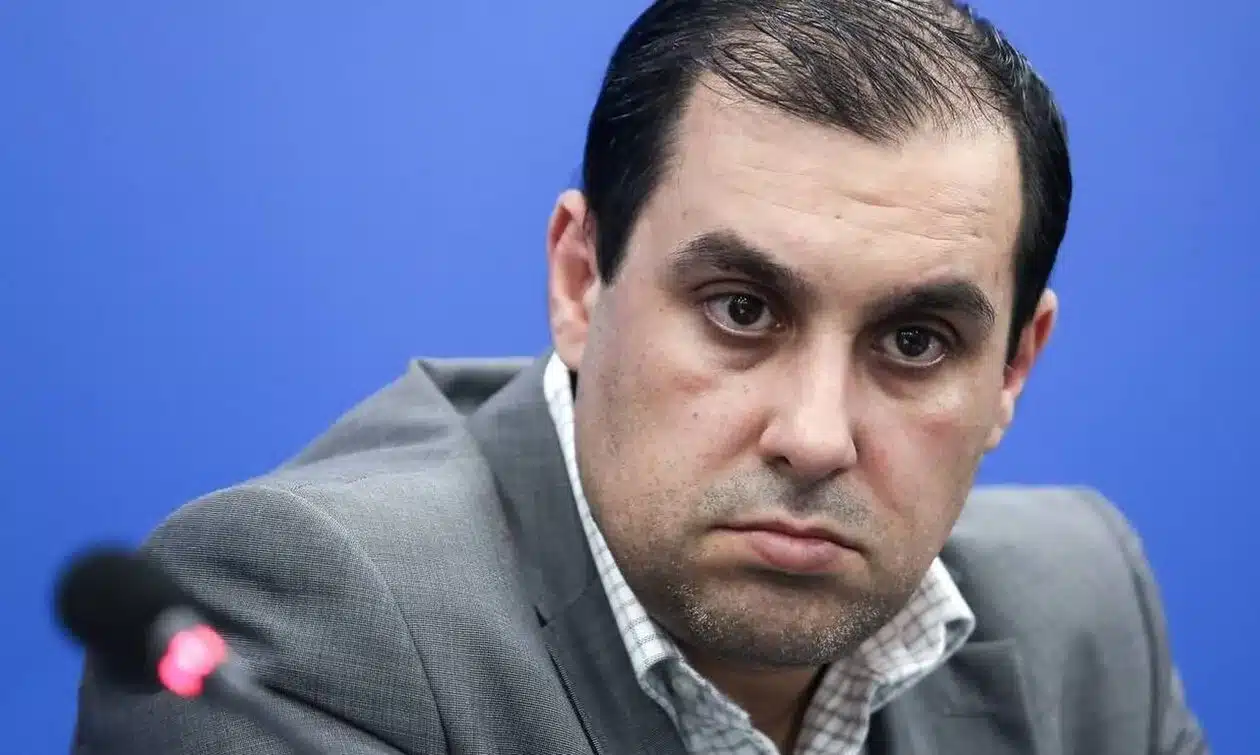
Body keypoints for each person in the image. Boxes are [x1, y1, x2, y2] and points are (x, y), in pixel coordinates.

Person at [72, 0, 1208, 753]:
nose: (816, 435)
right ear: (582, 280)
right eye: (741, 310)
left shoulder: (1084, 612)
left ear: (1013, 367)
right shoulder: (310, 623)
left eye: (915, 342)